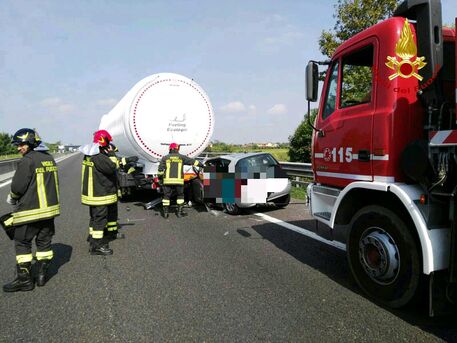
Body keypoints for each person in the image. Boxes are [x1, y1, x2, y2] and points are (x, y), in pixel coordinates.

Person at [3, 128, 60, 292]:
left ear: (30, 143)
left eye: (21, 144)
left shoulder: (27, 161)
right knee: (44, 242)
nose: (18, 148)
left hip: (30, 211)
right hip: (49, 211)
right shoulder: (49, 159)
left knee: (22, 243)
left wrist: (13, 197)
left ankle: (24, 280)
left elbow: (18, 187)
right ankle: (42, 275)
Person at [80, 130, 118, 255]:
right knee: (100, 219)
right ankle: (97, 246)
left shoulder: (89, 154)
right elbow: (112, 167)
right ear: (104, 141)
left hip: (92, 193)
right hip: (100, 194)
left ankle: (92, 237)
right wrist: (112, 153)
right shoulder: (99, 157)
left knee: (94, 217)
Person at [158, 143, 203, 218]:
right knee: (180, 195)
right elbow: (193, 161)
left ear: (170, 149)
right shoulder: (181, 157)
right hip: (178, 181)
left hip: (167, 181)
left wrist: (160, 178)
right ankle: (179, 213)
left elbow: (160, 170)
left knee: (166, 196)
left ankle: (165, 214)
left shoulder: (165, 158)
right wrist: (201, 165)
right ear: (177, 149)